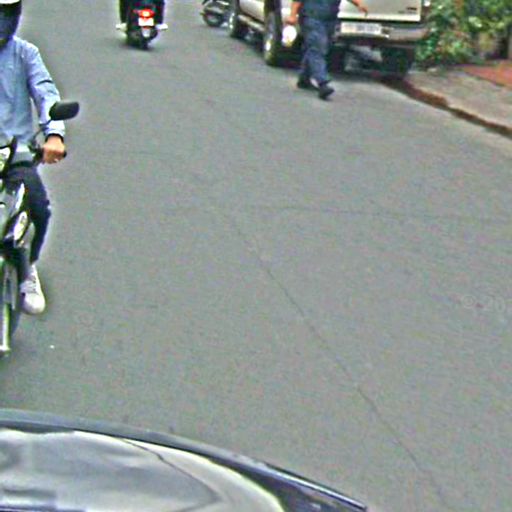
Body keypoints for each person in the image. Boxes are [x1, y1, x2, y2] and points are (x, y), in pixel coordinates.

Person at [0, 0, 67, 314]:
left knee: (38, 208)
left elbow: (45, 93)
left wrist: (54, 135)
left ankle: (28, 268)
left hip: (15, 156)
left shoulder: (25, 54)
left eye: (4, 14)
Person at [286, 0, 368, 100]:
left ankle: (304, 79)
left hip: (330, 20)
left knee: (315, 48)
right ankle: (322, 83)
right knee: (318, 49)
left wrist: (359, 4)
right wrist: (292, 15)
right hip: (311, 17)